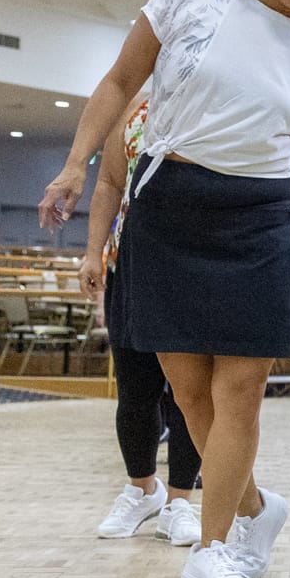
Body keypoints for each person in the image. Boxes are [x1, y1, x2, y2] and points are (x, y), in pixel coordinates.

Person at [41, 0, 290, 578]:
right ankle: (254, 508)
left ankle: (211, 551)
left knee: (238, 389)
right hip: (166, 207)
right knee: (186, 393)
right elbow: (121, 83)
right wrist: (75, 163)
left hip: (260, 221)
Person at [82, 95, 203, 548]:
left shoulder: (213, 99)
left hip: (192, 265)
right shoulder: (133, 108)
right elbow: (110, 183)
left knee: (188, 392)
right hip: (129, 263)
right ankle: (142, 489)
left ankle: (179, 503)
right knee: (135, 390)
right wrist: (93, 252)